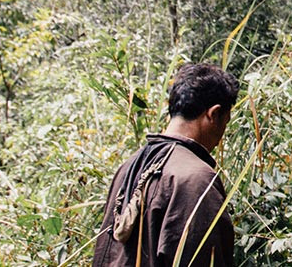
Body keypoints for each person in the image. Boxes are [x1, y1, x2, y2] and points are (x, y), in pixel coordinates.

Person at [93, 63, 239, 266]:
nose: (221, 136)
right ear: (213, 115)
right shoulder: (197, 178)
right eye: (226, 121)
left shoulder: (129, 166)